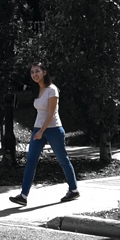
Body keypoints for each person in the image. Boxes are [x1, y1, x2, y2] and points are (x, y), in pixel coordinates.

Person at [9, 62, 80, 206]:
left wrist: (42, 131)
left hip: (53, 129)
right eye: (32, 72)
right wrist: (38, 130)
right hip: (38, 129)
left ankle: (73, 190)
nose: (34, 74)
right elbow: (40, 113)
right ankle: (23, 196)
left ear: (45, 72)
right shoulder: (37, 90)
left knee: (63, 160)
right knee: (30, 161)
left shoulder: (52, 89)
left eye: (37, 71)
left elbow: (51, 113)